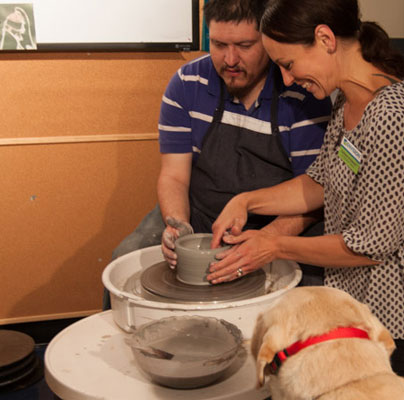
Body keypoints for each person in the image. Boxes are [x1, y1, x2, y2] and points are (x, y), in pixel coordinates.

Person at [206, 0, 404, 397]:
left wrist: (273, 246)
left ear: (325, 39)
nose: (286, 80)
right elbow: (321, 183)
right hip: (356, 308)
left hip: (402, 319)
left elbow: (370, 247)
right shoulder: (347, 99)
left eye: (288, 64)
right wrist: (247, 201)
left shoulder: (394, 114)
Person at [103, 0, 331, 310]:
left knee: (311, 298)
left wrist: (266, 241)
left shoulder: (301, 93)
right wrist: (178, 226)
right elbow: (173, 175)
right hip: (199, 215)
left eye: (244, 45)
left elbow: (314, 195)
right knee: (125, 256)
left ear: (266, 39)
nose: (230, 59)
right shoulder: (187, 84)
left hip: (277, 221)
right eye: (219, 44)